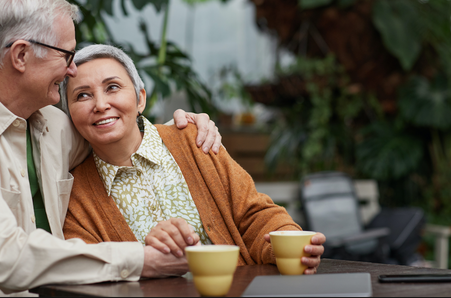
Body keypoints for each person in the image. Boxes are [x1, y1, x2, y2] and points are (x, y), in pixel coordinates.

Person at [0, 0, 222, 296]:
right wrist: (141, 259)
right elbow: (3, 256)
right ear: (21, 55)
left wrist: (181, 131)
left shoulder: (55, 125)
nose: (72, 70)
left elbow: (120, 138)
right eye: (66, 54)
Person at [61, 44, 326, 272]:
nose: (100, 104)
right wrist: (144, 255)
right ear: (69, 113)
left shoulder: (194, 139)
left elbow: (253, 213)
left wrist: (286, 244)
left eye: (113, 87)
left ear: (140, 98)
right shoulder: (74, 195)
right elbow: (89, 270)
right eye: (82, 95)